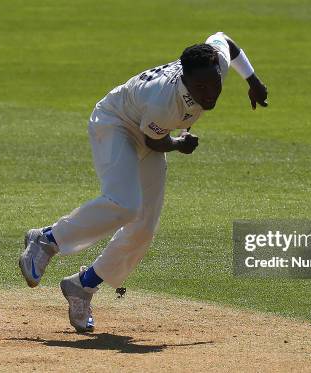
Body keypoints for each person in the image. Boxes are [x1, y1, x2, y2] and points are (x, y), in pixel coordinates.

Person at [19, 32, 268, 332]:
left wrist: (252, 80)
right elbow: (156, 140)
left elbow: (225, 41)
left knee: (143, 228)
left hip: (149, 132)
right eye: (200, 87)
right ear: (185, 80)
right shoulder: (165, 100)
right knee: (125, 204)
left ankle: (83, 286)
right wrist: (179, 145)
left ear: (218, 68)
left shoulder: (214, 62)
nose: (210, 92)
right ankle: (47, 239)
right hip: (116, 124)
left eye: (214, 83)